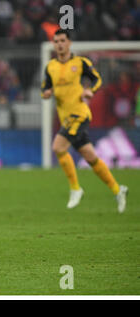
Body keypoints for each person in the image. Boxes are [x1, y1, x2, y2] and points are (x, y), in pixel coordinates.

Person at [41, 29, 128, 213]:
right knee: (91, 157)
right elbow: (45, 88)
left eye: (62, 40)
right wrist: (47, 93)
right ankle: (117, 190)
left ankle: (75, 188)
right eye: (56, 41)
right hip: (65, 118)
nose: (59, 44)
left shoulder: (80, 63)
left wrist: (90, 91)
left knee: (58, 147)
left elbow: (97, 80)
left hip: (79, 114)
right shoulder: (51, 67)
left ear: (69, 43)